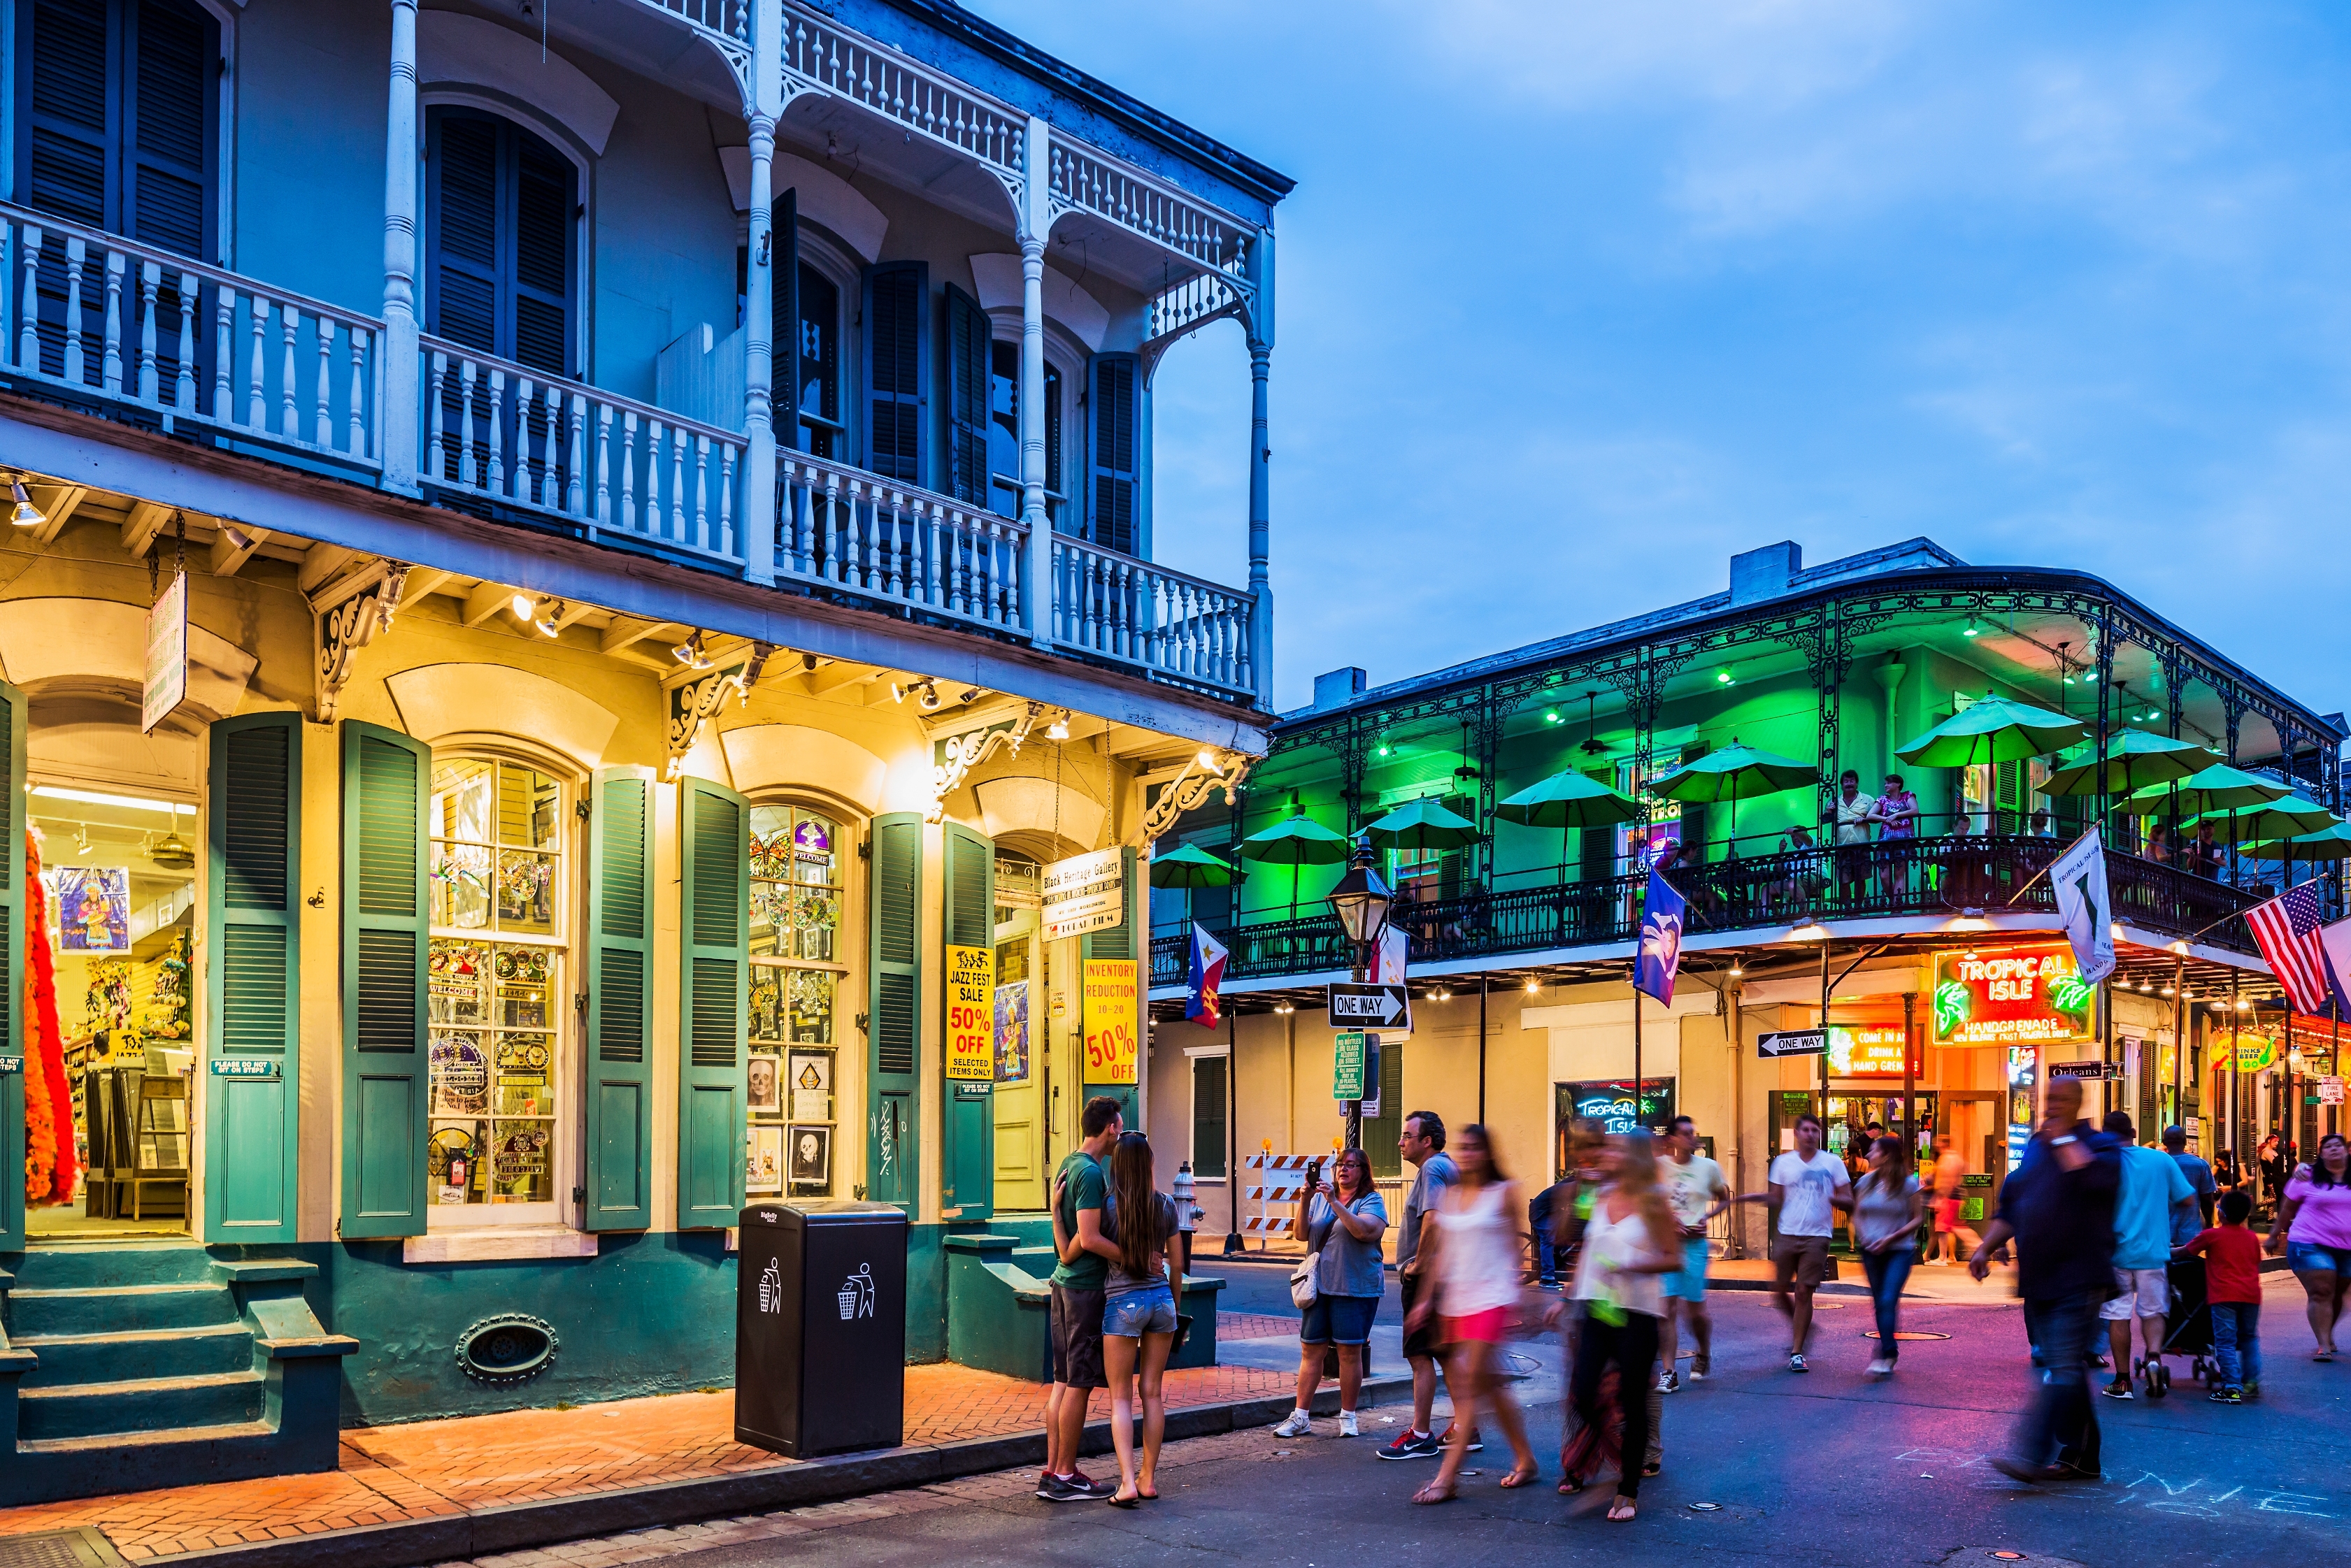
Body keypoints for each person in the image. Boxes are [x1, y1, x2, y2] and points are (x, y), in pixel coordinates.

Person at [1968, 1077, 2120, 1483]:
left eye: (2061, 1099)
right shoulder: (2036, 1146)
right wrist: (1985, 1247)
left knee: (2063, 1369)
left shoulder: (2099, 1146)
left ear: (2078, 1103)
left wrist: (2063, 1140)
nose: (2051, 1105)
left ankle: (2031, 1456)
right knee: (2063, 1366)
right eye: (2048, 1098)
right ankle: (2083, 1457)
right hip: (2039, 1278)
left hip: (2080, 1276)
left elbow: (2094, 1181)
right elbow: (2014, 1203)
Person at [1406, 1123, 1540, 1505]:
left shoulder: (1503, 1193)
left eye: (1475, 1147)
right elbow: (1440, 1256)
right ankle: (1526, 1460)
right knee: (1492, 1386)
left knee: (1467, 1386)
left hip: (1491, 1298)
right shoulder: (1450, 1195)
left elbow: (1517, 1246)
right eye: (1463, 1147)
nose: (1468, 1153)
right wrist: (1424, 1302)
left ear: (1488, 1153)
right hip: (1457, 1303)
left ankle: (1446, 1478)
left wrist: (1522, 1299)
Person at [1559, 1131, 1680, 1522]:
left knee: (1633, 1400)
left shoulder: (1653, 1201)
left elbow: (1673, 1260)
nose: (1606, 1153)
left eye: (1615, 1148)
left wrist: (1633, 1264)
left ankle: (1627, 1490)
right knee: (1582, 1390)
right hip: (1598, 1308)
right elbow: (1587, 1250)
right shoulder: (1597, 1195)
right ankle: (1616, 1447)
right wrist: (1567, 1298)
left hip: (1637, 1313)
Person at [1038, 1098, 1123, 1502]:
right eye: (1119, 1125)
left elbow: (1069, 1244)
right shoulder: (1090, 1174)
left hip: (1063, 1284)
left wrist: (1061, 1233)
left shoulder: (1068, 1165)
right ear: (1110, 1128)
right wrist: (1134, 1259)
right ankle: (1068, 1474)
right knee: (1079, 1383)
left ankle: (1054, 1471)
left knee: (1061, 1381)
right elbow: (1089, 1239)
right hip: (1085, 1290)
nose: (1121, 1132)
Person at [1090, 1132, 1179, 1506]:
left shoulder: (1109, 1205)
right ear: (1149, 1166)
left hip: (1123, 1303)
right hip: (1162, 1301)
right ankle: (1148, 1478)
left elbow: (1087, 1241)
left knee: (1121, 1399)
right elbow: (1178, 1265)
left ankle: (1126, 1481)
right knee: (1154, 1393)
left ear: (1117, 1166)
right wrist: (1174, 1302)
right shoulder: (1166, 1204)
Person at [1274, 1147, 1386, 1439]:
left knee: (1350, 1353)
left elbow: (1365, 1231)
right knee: (1311, 1351)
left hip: (1354, 1288)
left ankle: (1348, 1417)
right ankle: (1300, 1417)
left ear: (1363, 1171)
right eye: (1340, 1165)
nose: (1343, 1170)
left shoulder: (1370, 1200)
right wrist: (1305, 1200)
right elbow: (1301, 1234)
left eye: (1351, 1165)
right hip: (1319, 1287)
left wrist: (1335, 1202)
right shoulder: (1320, 1201)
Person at [1378, 1111, 1459, 1460]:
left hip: (1429, 1278)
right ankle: (1464, 1427)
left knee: (1419, 1354)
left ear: (1427, 1141)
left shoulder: (1432, 1169)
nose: (1400, 1142)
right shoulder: (1447, 1167)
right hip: (1446, 1275)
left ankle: (1420, 1434)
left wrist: (1420, 1264)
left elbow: (1435, 1218)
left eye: (1407, 1136)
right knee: (1444, 1353)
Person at [2099, 1112, 2193, 1400]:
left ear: (2104, 1133)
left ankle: (2123, 1380)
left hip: (2116, 1253)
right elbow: (2188, 1198)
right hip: (2153, 1251)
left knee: (2118, 1315)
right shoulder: (2161, 1160)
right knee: (2154, 1311)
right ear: (2134, 1132)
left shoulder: (2104, 1164)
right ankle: (2153, 1358)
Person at [1758, 1112, 1852, 1372]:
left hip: (1818, 1235)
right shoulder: (1782, 1163)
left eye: (1815, 1130)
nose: (1810, 1135)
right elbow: (1776, 1198)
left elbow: (1849, 1199)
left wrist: (1835, 1200)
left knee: (1803, 1291)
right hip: (1787, 1232)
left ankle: (1797, 1351)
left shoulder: (1832, 1163)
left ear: (1819, 1134)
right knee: (1778, 1290)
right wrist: (1754, 1197)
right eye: (1806, 1130)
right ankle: (1804, 1327)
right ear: (1796, 1135)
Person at [1658, 1115, 1735, 1390]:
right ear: (1673, 1139)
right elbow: (1651, 1201)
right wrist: (1668, 1221)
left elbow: (1724, 1197)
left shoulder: (1708, 1168)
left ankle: (1703, 1351)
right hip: (1666, 1246)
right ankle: (1669, 1371)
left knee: (1695, 1312)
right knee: (1666, 1308)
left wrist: (1707, 1217)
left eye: (1693, 1132)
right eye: (1686, 1133)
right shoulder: (1660, 1167)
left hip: (1694, 1245)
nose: (1692, 1137)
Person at [2266, 1130, 2351, 1360]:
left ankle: (2328, 1332)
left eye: (2338, 1145)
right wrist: (2274, 1234)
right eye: (2328, 1146)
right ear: (2321, 1154)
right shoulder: (2308, 1176)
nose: (2333, 1149)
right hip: (2309, 1242)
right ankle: (2323, 1344)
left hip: (2347, 1248)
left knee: (2337, 1292)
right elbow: (2287, 1207)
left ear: (2346, 1150)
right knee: (2322, 1290)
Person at [2178, 1188, 2264, 1402]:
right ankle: (2251, 1381)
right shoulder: (2252, 1238)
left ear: (2222, 1214)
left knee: (2225, 1342)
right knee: (2249, 1338)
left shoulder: (2212, 1235)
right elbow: (2256, 1262)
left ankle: (2231, 1387)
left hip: (2224, 1296)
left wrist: (2164, 1251)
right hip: (2251, 1295)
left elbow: (2186, 1252)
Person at [1855, 1135, 1924, 1377]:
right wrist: (1864, 1237)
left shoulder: (1908, 1184)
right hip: (1871, 1250)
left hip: (1900, 1251)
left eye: (1873, 1151)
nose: (1868, 1155)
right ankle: (1887, 1350)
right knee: (1881, 1303)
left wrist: (1891, 1238)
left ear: (1885, 1155)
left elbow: (1918, 1217)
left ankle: (1887, 1353)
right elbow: (1857, 1213)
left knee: (1887, 1299)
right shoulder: (1866, 1182)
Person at [1929, 1133, 1981, 1265]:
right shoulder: (1956, 1157)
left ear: (1943, 1144)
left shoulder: (1947, 1158)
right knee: (1957, 1227)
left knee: (1942, 1228)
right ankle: (1980, 1246)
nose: (1935, 1144)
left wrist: (1940, 1197)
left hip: (1948, 1197)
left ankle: (1942, 1258)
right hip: (1955, 1197)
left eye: (1938, 1142)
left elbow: (1946, 1180)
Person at [2164, 1124, 2218, 1237]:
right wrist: (2209, 1223)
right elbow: (2207, 1199)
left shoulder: (2158, 1163)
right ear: (2185, 1141)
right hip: (2190, 1232)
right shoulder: (2200, 1164)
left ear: (2164, 1142)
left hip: (2162, 1233)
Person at [1832, 770, 1877, 901]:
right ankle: (1846, 908)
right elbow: (1825, 819)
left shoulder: (1868, 799)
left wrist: (1864, 819)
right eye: (1846, 781)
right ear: (1841, 785)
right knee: (1843, 880)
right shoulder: (1835, 801)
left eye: (1852, 781)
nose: (1849, 784)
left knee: (1860, 878)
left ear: (1857, 783)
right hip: (1842, 846)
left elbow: (1876, 819)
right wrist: (1828, 809)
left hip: (1861, 845)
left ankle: (1858, 906)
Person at [1875, 774, 1919, 840]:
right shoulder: (1883, 799)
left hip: (1906, 836)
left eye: (1889, 783)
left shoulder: (1907, 796)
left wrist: (1896, 815)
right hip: (1887, 837)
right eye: (1885, 784)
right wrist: (1888, 820)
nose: (1885, 786)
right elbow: (1870, 815)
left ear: (1898, 784)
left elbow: (1915, 810)